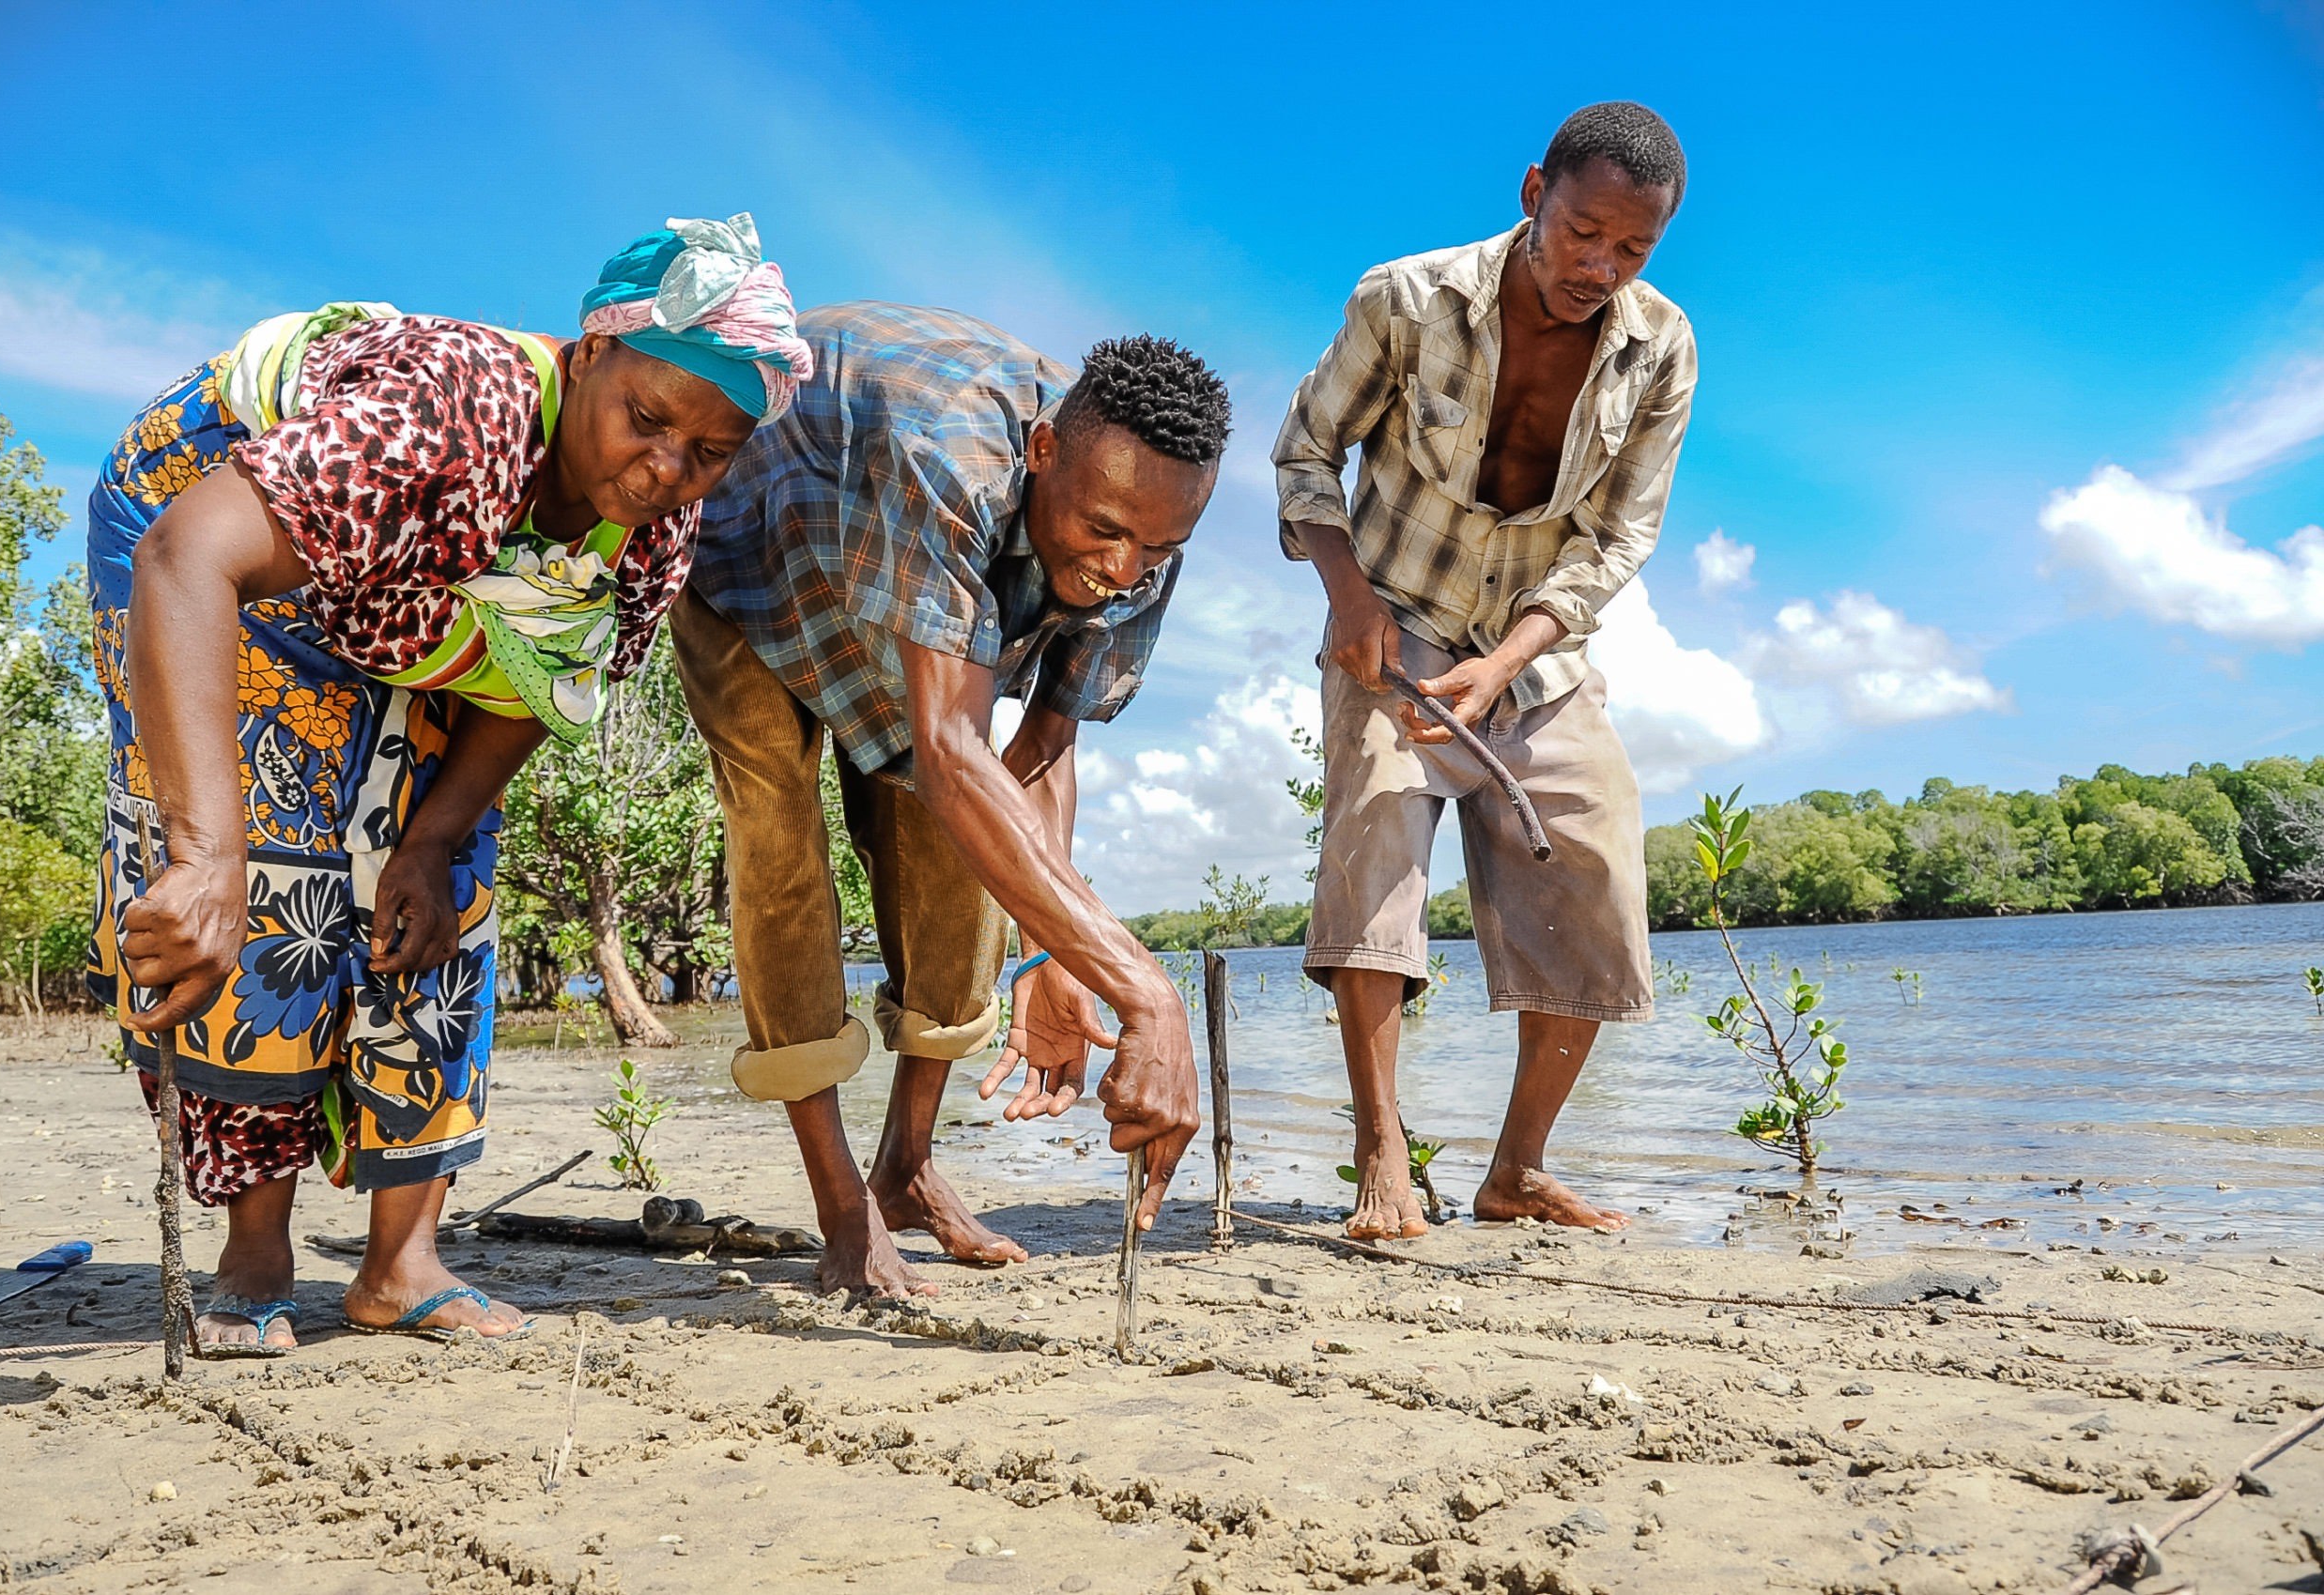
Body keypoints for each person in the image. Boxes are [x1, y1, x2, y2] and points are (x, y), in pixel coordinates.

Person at [89, 216, 811, 1353]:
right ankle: (256, 1245)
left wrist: (431, 838)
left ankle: (400, 1261)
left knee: (439, 885)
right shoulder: (450, 412)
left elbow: (531, 682)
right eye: (647, 417)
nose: (667, 466)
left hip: (418, 598)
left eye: (709, 452)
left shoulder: (654, 525)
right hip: (206, 541)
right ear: (586, 358)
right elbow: (190, 556)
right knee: (273, 864)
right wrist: (204, 852)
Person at [675, 301, 1229, 1296]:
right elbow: (950, 749)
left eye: (1154, 549)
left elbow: (1043, 745)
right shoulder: (951, 461)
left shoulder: (1143, 534)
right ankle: (843, 1204)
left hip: (907, 609)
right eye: (1102, 531)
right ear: (1043, 448)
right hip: (760, 560)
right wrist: (1144, 989)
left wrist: (1056, 949)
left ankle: (907, 1165)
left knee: (946, 843)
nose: (1120, 570)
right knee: (779, 845)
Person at [1273, 102, 1698, 1237]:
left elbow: (1620, 539)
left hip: (1533, 647)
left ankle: (1516, 1172)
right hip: (1395, 614)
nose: (1598, 267)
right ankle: (1381, 1159)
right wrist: (1348, 600)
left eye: (1632, 248)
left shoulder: (1660, 347)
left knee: (1597, 860)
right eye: (1582, 232)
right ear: (1531, 194)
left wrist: (1509, 655)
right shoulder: (1403, 300)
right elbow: (1305, 450)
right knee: (1377, 840)